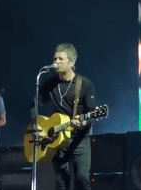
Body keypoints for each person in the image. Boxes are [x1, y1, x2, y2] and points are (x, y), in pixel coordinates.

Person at [29, 43, 96, 190]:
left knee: (82, 179)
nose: (56, 62)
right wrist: (38, 125)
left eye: (60, 59)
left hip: (79, 139)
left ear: (71, 63)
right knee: (60, 182)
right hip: (57, 139)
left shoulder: (85, 84)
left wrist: (83, 122)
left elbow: (93, 113)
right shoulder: (50, 84)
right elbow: (33, 105)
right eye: (55, 58)